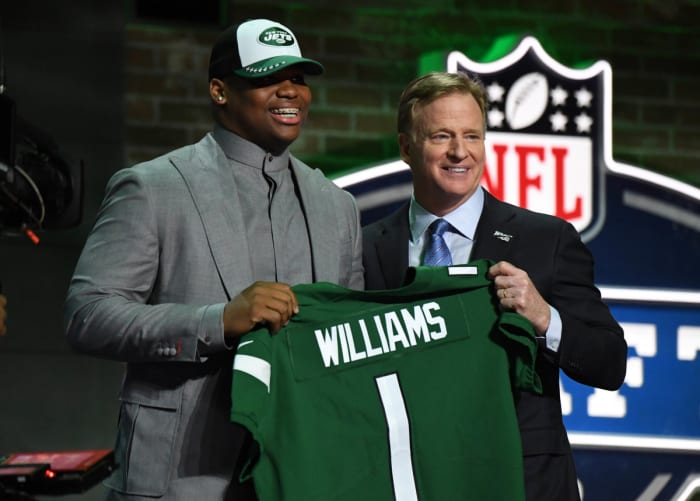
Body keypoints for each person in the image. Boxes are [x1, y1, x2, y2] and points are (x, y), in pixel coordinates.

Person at [64, 18, 363, 501]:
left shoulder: (337, 206)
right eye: (269, 77)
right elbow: (87, 315)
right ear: (220, 91)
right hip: (182, 477)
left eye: (299, 79)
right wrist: (218, 321)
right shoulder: (153, 187)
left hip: (302, 475)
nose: (290, 91)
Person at [362, 72, 627, 501]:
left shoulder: (546, 240)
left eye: (472, 135)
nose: (459, 152)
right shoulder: (365, 246)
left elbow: (610, 362)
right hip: (406, 482)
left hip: (522, 483)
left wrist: (544, 318)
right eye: (441, 136)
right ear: (406, 148)